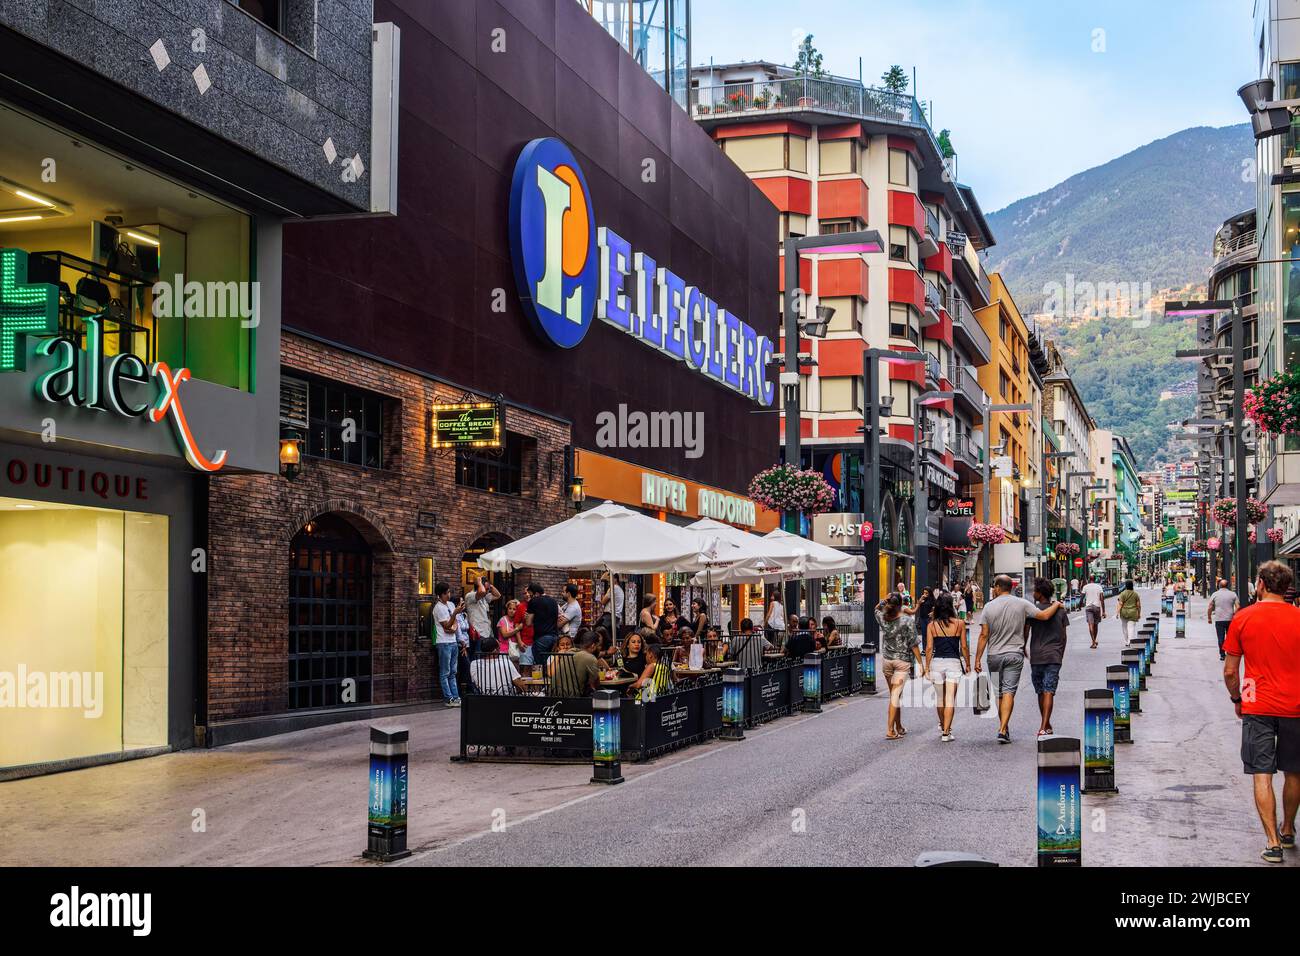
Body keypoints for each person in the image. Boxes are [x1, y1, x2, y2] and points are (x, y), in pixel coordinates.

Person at [1222, 561, 1300, 864]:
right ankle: (1288, 827)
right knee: (1294, 771)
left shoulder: (1244, 618)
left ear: (1262, 585)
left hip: (1257, 705)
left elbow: (1230, 671)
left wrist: (1237, 699)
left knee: (1261, 773)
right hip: (1295, 705)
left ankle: (1272, 843)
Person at [973, 574, 1064, 744]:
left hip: (993, 655)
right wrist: (1057, 604)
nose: (993, 589)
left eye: (994, 587)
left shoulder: (988, 607)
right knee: (1009, 691)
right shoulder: (1022, 604)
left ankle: (1004, 728)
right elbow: (1044, 616)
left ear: (998, 587)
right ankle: (1002, 729)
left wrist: (977, 659)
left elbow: (984, 635)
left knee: (999, 693)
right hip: (1014, 654)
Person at [876, 595, 921, 740]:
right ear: (901, 604)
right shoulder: (907, 621)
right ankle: (890, 730)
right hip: (902, 662)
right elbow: (913, 644)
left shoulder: (883, 617)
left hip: (887, 661)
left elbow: (875, 609)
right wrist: (920, 663)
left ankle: (899, 726)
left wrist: (884, 600)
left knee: (895, 696)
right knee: (896, 696)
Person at [1028, 577, 1068, 738]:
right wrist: (1061, 653)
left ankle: (1044, 726)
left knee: (1041, 691)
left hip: (1036, 655)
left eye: (1034, 590)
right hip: (1054, 655)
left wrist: (1023, 647)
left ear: (1040, 593)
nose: (1033, 593)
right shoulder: (1060, 610)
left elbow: (1025, 632)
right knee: (1048, 691)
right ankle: (1046, 724)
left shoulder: (1032, 610)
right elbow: (1064, 637)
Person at [925, 593, 968, 742]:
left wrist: (926, 667)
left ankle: (944, 725)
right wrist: (968, 663)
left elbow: (929, 648)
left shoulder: (932, 625)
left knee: (940, 699)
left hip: (937, 663)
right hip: (953, 663)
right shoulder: (959, 623)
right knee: (950, 699)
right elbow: (963, 646)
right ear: (951, 606)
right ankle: (946, 732)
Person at [432, 582, 461, 707]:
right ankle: (448, 698)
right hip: (443, 643)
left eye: (449, 592)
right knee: (445, 672)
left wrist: (453, 626)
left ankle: (455, 697)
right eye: (446, 593)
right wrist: (454, 615)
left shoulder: (450, 604)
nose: (449, 595)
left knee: (453, 671)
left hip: (453, 642)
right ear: (440, 595)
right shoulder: (438, 608)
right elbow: (446, 626)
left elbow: (455, 624)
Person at [548, 630, 602, 698]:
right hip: (573, 698)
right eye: (599, 646)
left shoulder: (568, 653)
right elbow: (594, 685)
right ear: (593, 646)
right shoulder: (590, 658)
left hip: (552, 696)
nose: (600, 648)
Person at [525, 581, 561, 669]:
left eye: (531, 594)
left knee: (541, 665)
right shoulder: (553, 601)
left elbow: (528, 623)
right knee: (553, 663)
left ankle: (544, 681)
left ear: (536, 593)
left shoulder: (534, 601)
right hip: (555, 636)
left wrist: (527, 617)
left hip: (541, 638)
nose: (529, 597)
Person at [464, 575, 500, 647]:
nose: (487, 591)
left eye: (488, 589)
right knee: (478, 657)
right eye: (486, 589)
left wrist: (490, 586)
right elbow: (482, 591)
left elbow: (498, 595)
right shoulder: (470, 596)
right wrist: (479, 583)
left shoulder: (484, 597)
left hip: (487, 632)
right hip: (477, 634)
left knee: (486, 657)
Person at [1208, 578, 1239, 662]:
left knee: (1220, 638)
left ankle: (1222, 655)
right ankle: (1230, 652)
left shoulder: (1215, 594)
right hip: (1230, 619)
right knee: (1230, 637)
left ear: (1219, 585)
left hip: (1219, 619)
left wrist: (1209, 617)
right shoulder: (1233, 594)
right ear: (1228, 585)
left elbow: (1210, 607)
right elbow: (1238, 607)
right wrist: (1234, 614)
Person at [1081, 574, 1106, 648]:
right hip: (1097, 607)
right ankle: (1094, 640)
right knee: (1096, 624)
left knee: (1090, 624)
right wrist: (1103, 611)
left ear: (1089, 579)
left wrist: (1079, 606)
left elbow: (1082, 597)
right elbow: (1102, 599)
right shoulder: (1099, 587)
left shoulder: (1085, 587)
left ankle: (1093, 642)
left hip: (1088, 607)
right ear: (1095, 579)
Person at [512, 594, 534, 666]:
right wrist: (519, 641)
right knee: (525, 668)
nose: (527, 594)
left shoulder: (539, 605)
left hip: (538, 642)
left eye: (529, 592)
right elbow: (516, 624)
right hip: (526, 643)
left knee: (538, 670)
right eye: (525, 593)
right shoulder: (521, 606)